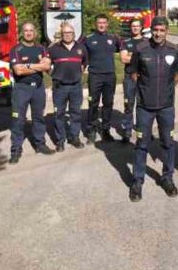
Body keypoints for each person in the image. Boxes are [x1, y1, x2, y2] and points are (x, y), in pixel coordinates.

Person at [129, 16, 178, 202]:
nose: (158, 33)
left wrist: (166, 89)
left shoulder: (175, 50)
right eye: (155, 30)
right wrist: (147, 90)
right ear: (150, 30)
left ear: (167, 31)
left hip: (166, 107)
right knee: (141, 144)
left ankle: (167, 178)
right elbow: (135, 74)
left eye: (162, 30)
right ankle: (137, 181)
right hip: (144, 107)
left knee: (168, 143)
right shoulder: (140, 49)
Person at [8, 22, 55, 162]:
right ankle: (16, 149)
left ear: (35, 32)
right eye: (26, 31)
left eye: (31, 30)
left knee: (39, 117)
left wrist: (28, 65)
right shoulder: (16, 49)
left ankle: (40, 144)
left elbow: (47, 66)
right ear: (22, 33)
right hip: (22, 88)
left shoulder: (41, 48)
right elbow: (18, 71)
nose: (28, 33)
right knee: (18, 119)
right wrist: (38, 66)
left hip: (38, 88)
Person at [48, 23, 86, 151]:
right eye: (65, 33)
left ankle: (74, 137)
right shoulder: (54, 49)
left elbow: (85, 62)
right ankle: (60, 140)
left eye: (70, 33)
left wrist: (80, 72)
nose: (67, 35)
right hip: (60, 87)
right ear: (62, 34)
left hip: (76, 86)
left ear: (74, 34)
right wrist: (52, 74)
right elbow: (46, 64)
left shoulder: (81, 48)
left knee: (76, 113)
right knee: (59, 114)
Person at [83, 15, 121, 143]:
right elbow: (78, 51)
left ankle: (106, 130)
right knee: (93, 103)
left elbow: (127, 48)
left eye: (104, 22)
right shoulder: (88, 39)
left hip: (110, 75)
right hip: (95, 75)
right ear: (95, 24)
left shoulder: (113, 38)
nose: (101, 25)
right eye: (99, 22)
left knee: (108, 103)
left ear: (107, 24)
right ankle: (91, 130)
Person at [118, 18, 144, 143]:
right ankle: (127, 132)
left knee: (142, 106)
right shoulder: (125, 42)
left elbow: (151, 58)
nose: (135, 28)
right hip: (129, 78)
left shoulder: (147, 42)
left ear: (141, 27)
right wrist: (141, 57)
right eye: (133, 26)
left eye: (137, 26)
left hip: (143, 78)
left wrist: (131, 55)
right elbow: (123, 59)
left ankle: (142, 131)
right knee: (128, 105)